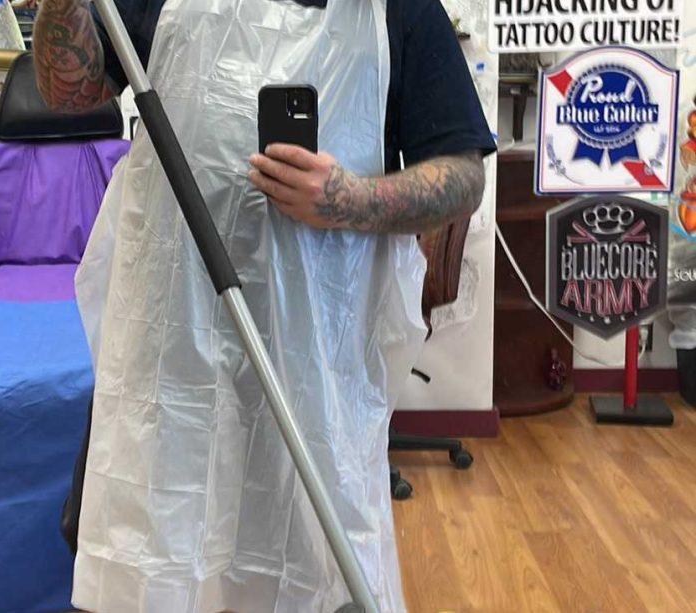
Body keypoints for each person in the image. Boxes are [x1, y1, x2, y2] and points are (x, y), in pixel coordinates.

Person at [34, 1, 495, 611]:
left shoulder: (394, 9)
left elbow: (462, 175)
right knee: (161, 552)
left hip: (315, 351)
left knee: (310, 563)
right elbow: (68, 94)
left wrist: (350, 199)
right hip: (172, 337)